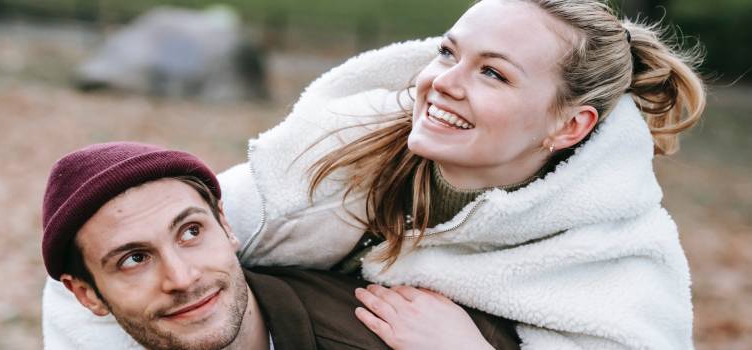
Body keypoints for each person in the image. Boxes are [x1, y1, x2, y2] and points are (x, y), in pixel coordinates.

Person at [44, 0, 706, 348]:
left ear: (570, 126)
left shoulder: (616, 248)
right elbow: (109, 263)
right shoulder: (335, 158)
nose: (441, 82)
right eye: (449, 51)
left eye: (492, 72)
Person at [40, 142, 520, 350]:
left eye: (191, 232)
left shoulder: (404, 335)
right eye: (134, 259)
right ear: (85, 295)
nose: (182, 278)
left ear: (225, 224)